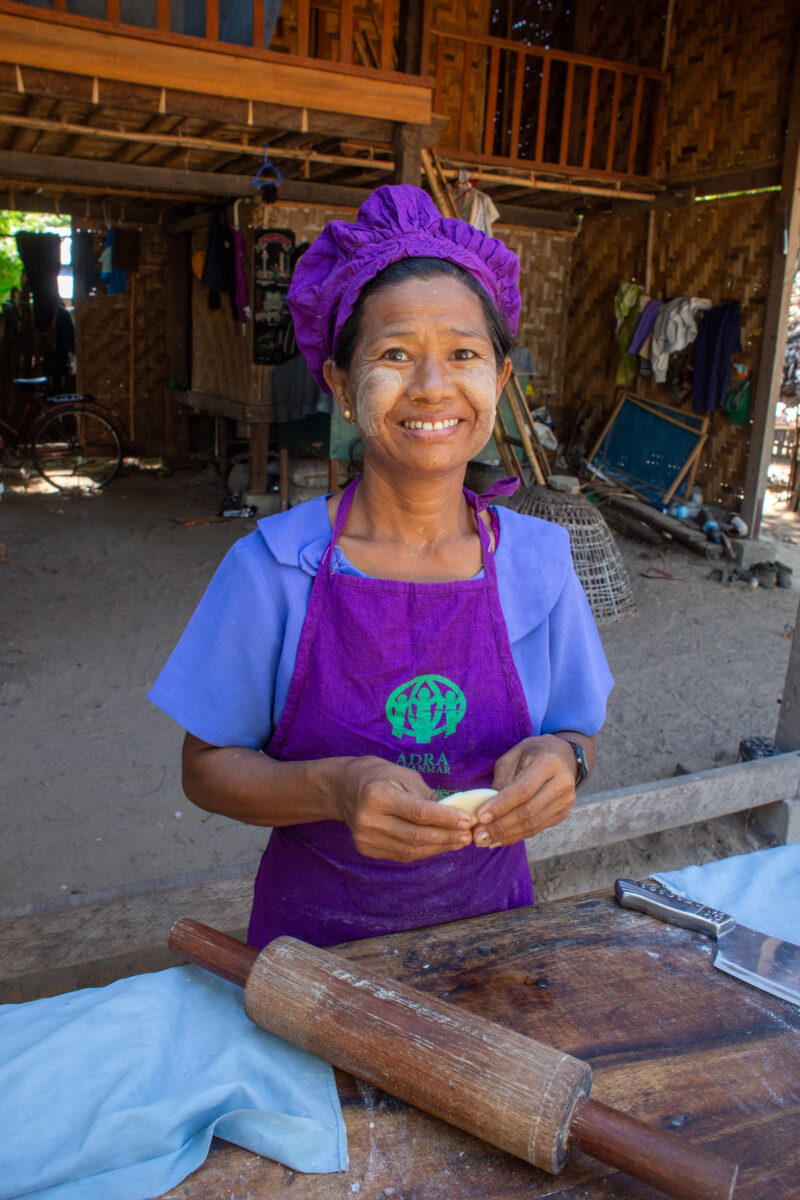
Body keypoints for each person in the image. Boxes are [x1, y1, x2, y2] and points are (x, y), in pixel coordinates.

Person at [149, 185, 613, 949]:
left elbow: (577, 733)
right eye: (395, 355)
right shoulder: (272, 568)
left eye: (463, 354)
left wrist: (563, 761)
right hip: (316, 954)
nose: (432, 387)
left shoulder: (540, 561)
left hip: (494, 940)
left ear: (498, 380)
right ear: (339, 383)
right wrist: (335, 788)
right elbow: (206, 769)